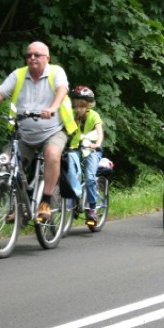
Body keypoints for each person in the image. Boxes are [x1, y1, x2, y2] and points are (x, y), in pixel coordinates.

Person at [0, 41, 78, 222]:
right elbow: (0, 93)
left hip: (52, 131)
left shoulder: (56, 72)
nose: (32, 58)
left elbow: (62, 90)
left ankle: (45, 202)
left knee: (52, 154)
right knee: (7, 161)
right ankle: (19, 205)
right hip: (24, 134)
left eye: (37, 55)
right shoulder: (19, 75)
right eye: (29, 54)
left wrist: (53, 107)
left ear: (47, 58)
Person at [69, 86, 104, 226]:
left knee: (90, 177)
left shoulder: (94, 115)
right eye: (76, 106)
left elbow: (100, 132)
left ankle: (92, 209)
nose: (78, 109)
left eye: (82, 106)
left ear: (88, 105)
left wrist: (97, 144)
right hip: (75, 148)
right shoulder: (71, 114)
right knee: (68, 172)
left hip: (91, 149)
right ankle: (72, 199)